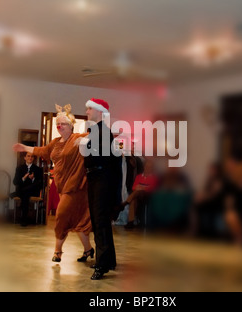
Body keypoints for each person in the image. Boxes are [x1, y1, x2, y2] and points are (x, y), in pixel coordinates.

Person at [12, 104, 94, 263]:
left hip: (76, 187)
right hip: (62, 186)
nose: (59, 126)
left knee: (62, 215)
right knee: (78, 222)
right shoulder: (55, 142)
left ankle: (58, 251)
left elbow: (99, 136)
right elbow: (41, 151)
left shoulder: (77, 138)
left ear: (70, 125)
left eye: (63, 123)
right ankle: (88, 249)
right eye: (58, 123)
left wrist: (86, 140)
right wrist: (23, 147)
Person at [83, 98, 122, 280]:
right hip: (96, 179)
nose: (87, 111)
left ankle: (102, 265)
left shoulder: (103, 132)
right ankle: (109, 260)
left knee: (100, 222)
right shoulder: (97, 131)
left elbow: (104, 160)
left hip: (101, 180)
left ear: (99, 111)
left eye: (90, 108)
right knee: (100, 221)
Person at [122, 159, 159, 229]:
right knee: (133, 200)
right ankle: (131, 222)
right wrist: (143, 187)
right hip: (138, 196)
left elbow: (153, 188)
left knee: (138, 192)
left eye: (150, 167)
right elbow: (133, 187)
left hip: (148, 196)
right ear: (144, 167)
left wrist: (142, 187)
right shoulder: (139, 176)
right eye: (147, 166)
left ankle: (125, 203)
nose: (148, 168)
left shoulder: (154, 178)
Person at [12, 152, 43, 226]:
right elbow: (15, 182)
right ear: (25, 158)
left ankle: (23, 218)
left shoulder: (38, 169)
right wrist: (23, 178)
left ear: (33, 159)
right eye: (28, 156)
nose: (30, 158)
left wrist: (33, 179)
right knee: (25, 194)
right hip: (23, 191)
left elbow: (41, 184)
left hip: (32, 191)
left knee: (25, 192)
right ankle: (24, 218)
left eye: (32, 156)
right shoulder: (19, 168)